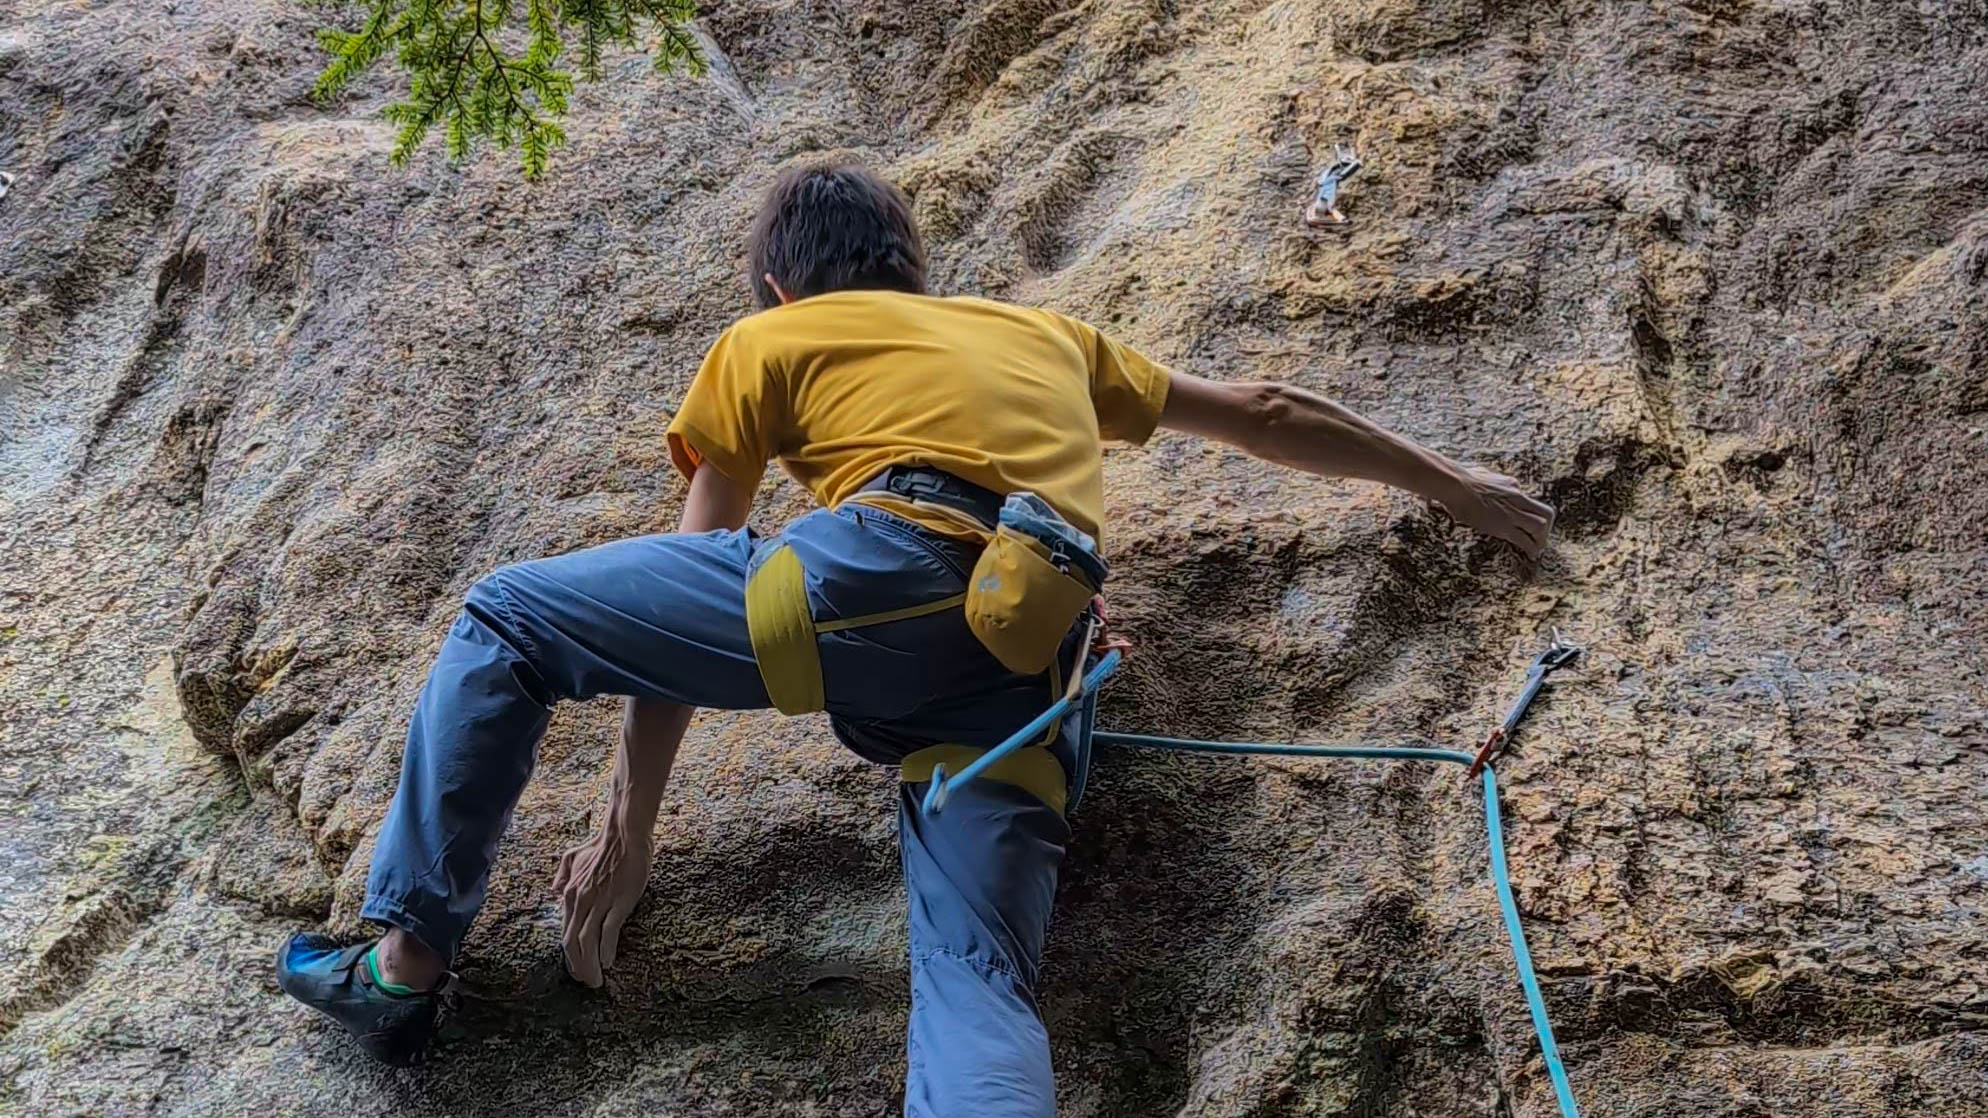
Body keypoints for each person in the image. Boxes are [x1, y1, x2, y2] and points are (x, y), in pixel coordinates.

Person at [276, 163, 1553, 1112]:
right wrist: (1458, 487)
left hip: (865, 584)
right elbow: (1267, 410)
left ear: (778, 284)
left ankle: (403, 967)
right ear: (913, 268)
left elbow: (688, 566)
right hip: (1033, 666)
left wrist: (630, 826)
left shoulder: (768, 338)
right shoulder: (1044, 335)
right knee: (976, 982)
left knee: (506, 614)